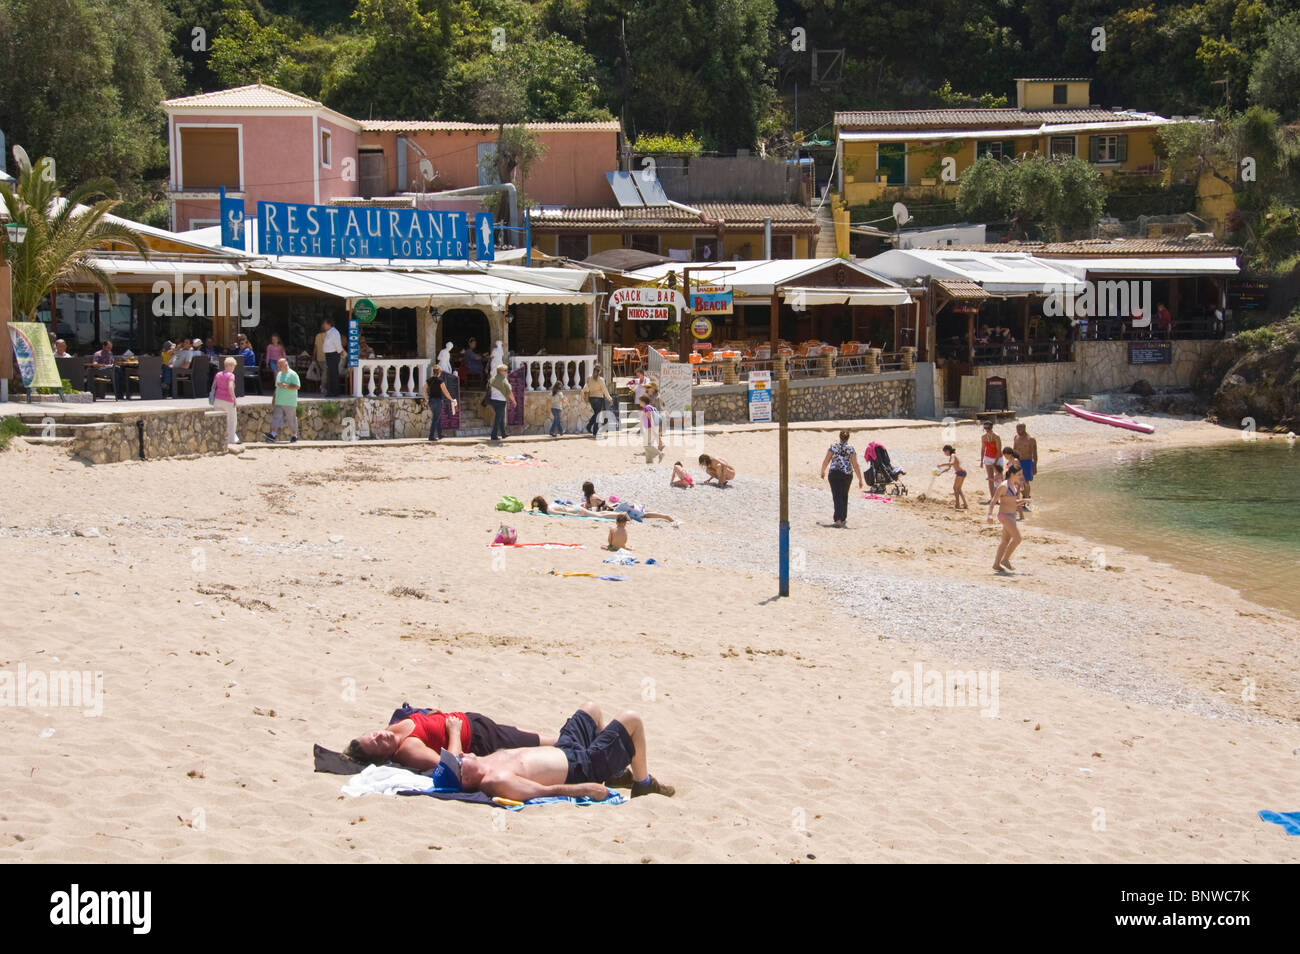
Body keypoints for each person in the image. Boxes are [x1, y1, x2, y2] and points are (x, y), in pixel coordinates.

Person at [452, 702, 675, 801]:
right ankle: (643, 785)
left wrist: (454, 735)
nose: (462, 755)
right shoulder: (496, 780)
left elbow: (451, 761)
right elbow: (540, 792)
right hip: (582, 767)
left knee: (591, 708)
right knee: (632, 718)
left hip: (564, 748)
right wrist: (584, 789)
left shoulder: (482, 762)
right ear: (467, 779)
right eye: (460, 764)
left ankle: (615, 774)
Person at [346, 709, 557, 771]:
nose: (381, 736)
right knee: (544, 744)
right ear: (383, 756)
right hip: (479, 739)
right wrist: (454, 731)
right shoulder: (408, 749)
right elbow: (452, 765)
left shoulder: (391, 729)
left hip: (474, 722)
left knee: (537, 738)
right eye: (377, 743)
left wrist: (432, 715)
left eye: (374, 734)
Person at [820, 429, 865, 528]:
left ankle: (838, 519)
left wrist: (822, 471)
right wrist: (860, 479)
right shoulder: (851, 449)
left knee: (836, 496)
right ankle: (843, 517)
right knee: (844, 495)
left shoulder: (833, 446)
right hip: (847, 474)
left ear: (839, 437)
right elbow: (855, 465)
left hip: (834, 473)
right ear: (848, 438)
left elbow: (826, 460)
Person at [987, 462, 1026, 573]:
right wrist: (989, 514)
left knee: (1005, 541)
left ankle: (996, 564)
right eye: (1019, 474)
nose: (1021, 477)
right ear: (1012, 474)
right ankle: (1005, 560)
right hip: (1004, 516)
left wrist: (1024, 501)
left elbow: (1012, 502)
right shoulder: (1004, 486)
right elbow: (994, 500)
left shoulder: (1013, 485)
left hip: (1011, 515)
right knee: (1018, 538)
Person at [264, 357, 300, 443]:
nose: (278, 367)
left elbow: (297, 386)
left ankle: (294, 435)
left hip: (289, 402)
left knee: (291, 419)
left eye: (280, 365)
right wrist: (273, 399)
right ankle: (273, 434)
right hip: (279, 401)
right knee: (276, 418)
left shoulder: (293, 374)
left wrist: (285, 386)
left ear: (286, 364)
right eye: (278, 365)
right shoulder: (279, 374)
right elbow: (277, 388)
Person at [212, 356, 240, 444]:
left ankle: (218, 439)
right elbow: (230, 387)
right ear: (230, 365)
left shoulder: (218, 374)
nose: (233, 368)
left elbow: (213, 386)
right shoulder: (231, 375)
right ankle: (231, 440)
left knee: (219, 420)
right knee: (232, 420)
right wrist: (234, 398)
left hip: (218, 399)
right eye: (233, 366)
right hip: (228, 400)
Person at [426, 364, 455, 441]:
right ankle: (431, 436)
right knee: (436, 418)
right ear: (439, 372)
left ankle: (439, 434)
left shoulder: (429, 380)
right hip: (438, 401)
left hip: (431, 401)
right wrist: (451, 399)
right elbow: (446, 392)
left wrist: (426, 398)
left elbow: (423, 389)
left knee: (437, 417)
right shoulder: (440, 381)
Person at [582, 367, 613, 437]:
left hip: (591, 398)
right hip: (599, 398)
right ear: (599, 372)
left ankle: (589, 426)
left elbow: (586, 387)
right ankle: (594, 430)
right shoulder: (601, 380)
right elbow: (605, 390)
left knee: (596, 414)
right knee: (597, 415)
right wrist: (610, 399)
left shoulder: (589, 378)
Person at [487, 363, 514, 441]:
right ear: (501, 371)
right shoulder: (503, 380)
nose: (506, 372)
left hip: (493, 400)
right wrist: (514, 401)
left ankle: (503, 433)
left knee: (501, 417)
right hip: (501, 401)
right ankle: (493, 435)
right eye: (505, 370)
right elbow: (509, 391)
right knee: (498, 418)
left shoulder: (492, 379)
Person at [936, 444, 968, 510]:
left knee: (955, 488)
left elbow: (952, 463)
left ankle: (957, 504)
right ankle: (965, 504)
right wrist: (940, 473)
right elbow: (948, 469)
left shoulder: (952, 455)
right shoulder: (951, 457)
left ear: (947, 451)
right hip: (962, 472)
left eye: (945, 452)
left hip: (960, 473)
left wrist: (941, 465)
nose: (945, 454)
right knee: (958, 489)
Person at [1012, 424, 1038, 504]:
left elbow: (1035, 454)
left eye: (1020, 429)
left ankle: (1026, 500)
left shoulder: (1031, 439)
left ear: (1024, 428)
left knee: (1026, 481)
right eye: (1017, 429)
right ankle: (1024, 497)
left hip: (1027, 462)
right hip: (1018, 462)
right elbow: (1014, 450)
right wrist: (1012, 462)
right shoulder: (1016, 438)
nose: (1018, 430)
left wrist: (1034, 466)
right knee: (1017, 481)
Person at [979, 421, 1002, 498]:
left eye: (988, 428)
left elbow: (999, 450)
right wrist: (981, 461)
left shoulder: (996, 436)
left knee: (998, 478)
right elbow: (983, 449)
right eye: (985, 428)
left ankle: (998, 497)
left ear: (991, 427)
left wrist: (995, 463)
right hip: (988, 457)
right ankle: (992, 497)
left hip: (997, 457)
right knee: (990, 478)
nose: (986, 429)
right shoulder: (984, 437)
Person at [639, 394, 664, 463]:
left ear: (643, 402)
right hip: (651, 427)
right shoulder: (649, 407)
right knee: (648, 444)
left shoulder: (647, 408)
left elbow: (650, 418)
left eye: (640, 401)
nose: (639, 403)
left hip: (650, 428)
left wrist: (652, 428)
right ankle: (649, 461)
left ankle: (660, 454)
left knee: (646, 445)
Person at [321, 319, 343, 397]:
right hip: (329, 355)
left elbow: (337, 344)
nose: (323, 325)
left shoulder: (334, 332)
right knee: (330, 373)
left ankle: (335, 391)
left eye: (324, 324)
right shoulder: (329, 333)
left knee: (333, 373)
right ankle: (332, 391)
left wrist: (340, 352)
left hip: (333, 354)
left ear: (329, 324)